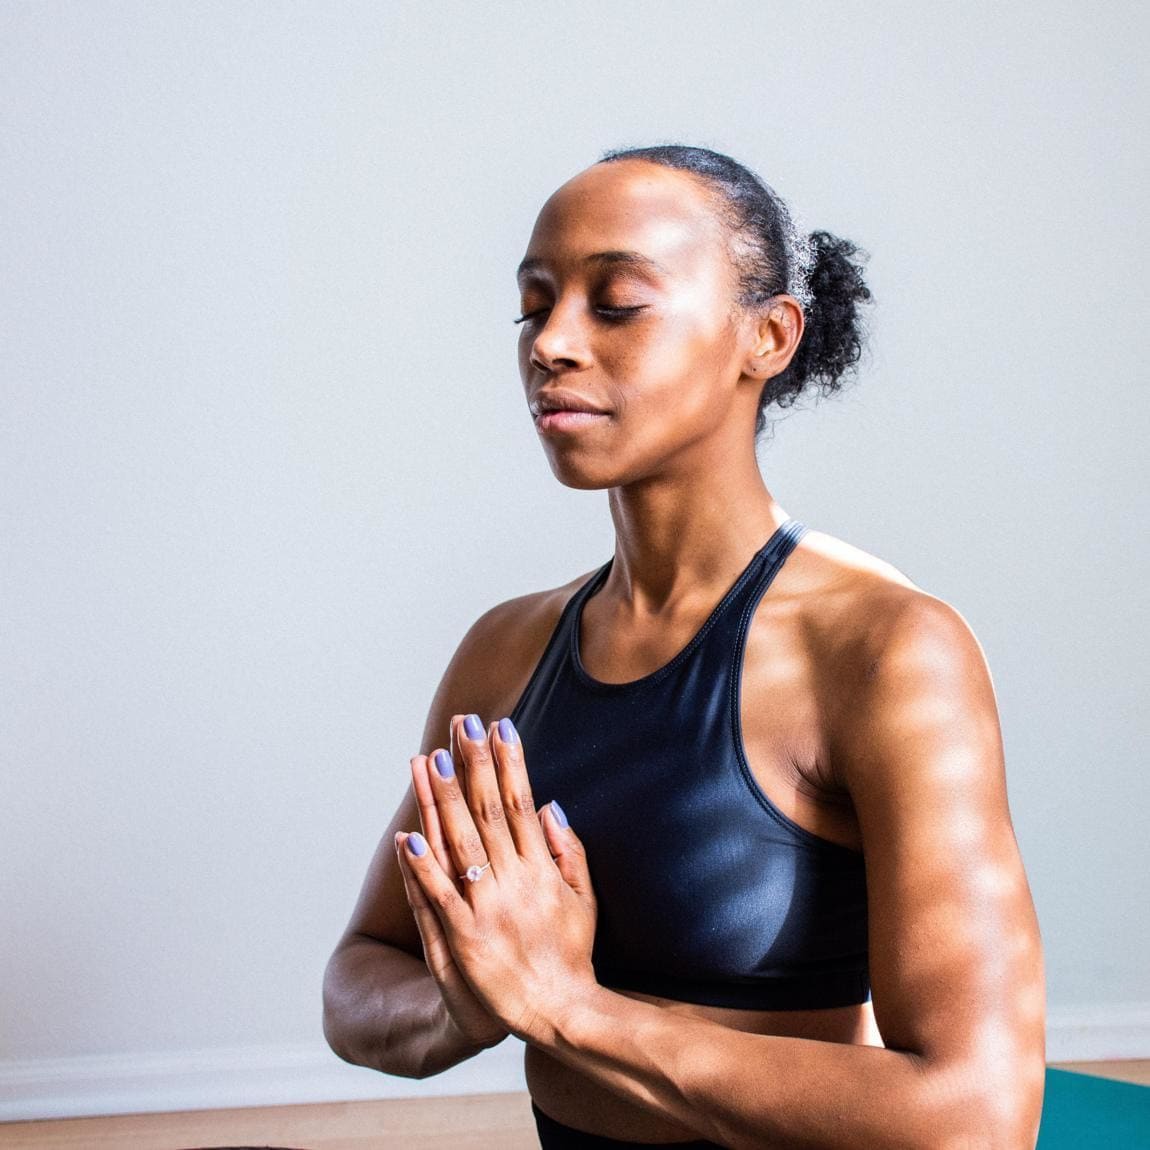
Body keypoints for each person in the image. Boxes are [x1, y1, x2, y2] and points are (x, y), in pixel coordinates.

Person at [322, 144, 1046, 1148]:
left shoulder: (886, 650)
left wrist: (570, 1011)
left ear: (768, 335)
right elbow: (360, 975)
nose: (552, 342)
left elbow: (975, 1114)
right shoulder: (504, 649)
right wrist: (471, 1004)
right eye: (534, 305)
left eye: (614, 302)